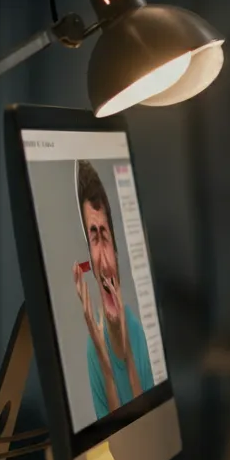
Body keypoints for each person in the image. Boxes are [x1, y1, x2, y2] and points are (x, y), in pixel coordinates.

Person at [73, 160, 154, 419]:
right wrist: (105, 367)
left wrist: (128, 354)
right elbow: (116, 443)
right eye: (94, 238)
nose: (105, 263)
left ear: (117, 252)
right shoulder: (92, 350)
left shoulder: (141, 334)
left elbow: (149, 428)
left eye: (105, 237)